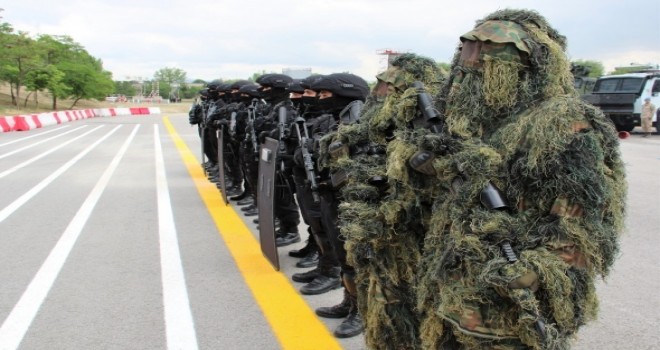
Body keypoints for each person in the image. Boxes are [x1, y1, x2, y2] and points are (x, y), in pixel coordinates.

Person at [410, 9, 626, 349]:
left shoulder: (562, 122)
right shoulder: (473, 120)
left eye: (487, 54)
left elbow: (583, 224)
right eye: (468, 50)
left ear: (526, 63)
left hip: (508, 313)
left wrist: (536, 269)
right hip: (454, 292)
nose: (473, 62)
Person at [330, 54, 445, 348]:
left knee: (408, 309)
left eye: (390, 88)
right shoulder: (375, 124)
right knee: (379, 304)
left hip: (408, 237)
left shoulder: (432, 127)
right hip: (374, 231)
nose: (381, 93)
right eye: (381, 85)